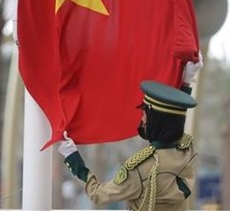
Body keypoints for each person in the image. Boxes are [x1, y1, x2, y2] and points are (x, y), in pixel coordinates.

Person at [58, 79, 198, 210]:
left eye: (146, 113)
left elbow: (98, 194)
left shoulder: (142, 169)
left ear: (157, 120)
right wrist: (186, 82)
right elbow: (175, 117)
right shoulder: (187, 151)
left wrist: (73, 159)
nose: (142, 119)